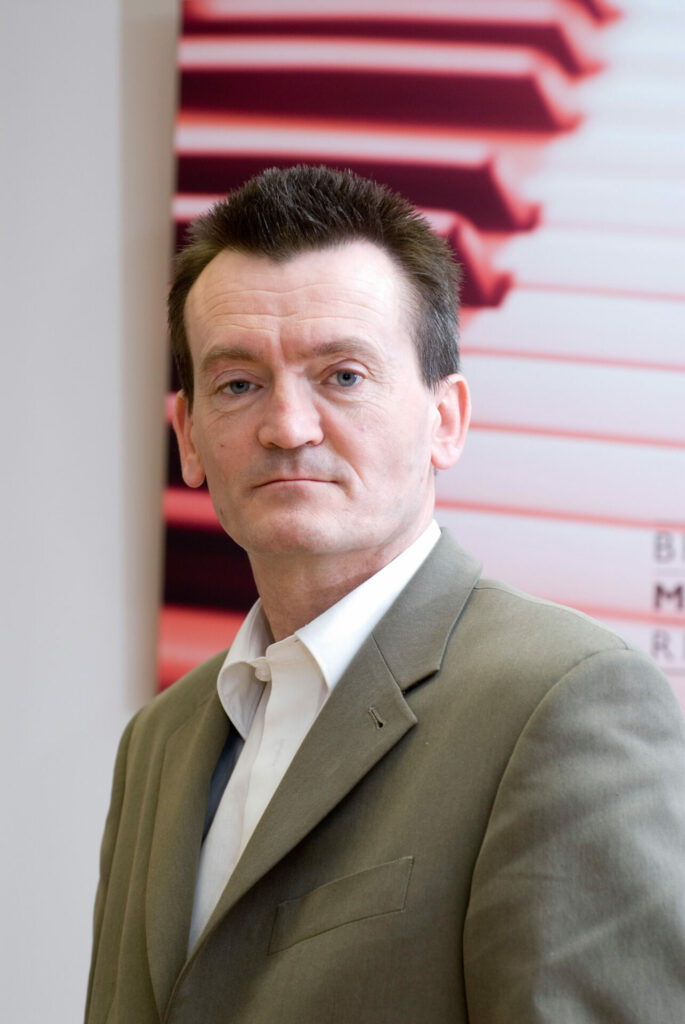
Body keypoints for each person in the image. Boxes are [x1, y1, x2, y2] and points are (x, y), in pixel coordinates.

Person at [85, 165, 685, 1024]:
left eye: (343, 376)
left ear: (446, 420)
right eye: (238, 383)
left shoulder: (565, 703)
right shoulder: (158, 739)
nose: (287, 428)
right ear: (188, 439)